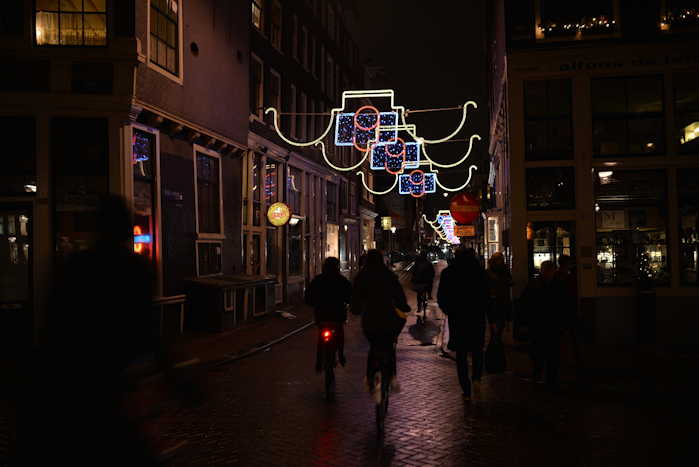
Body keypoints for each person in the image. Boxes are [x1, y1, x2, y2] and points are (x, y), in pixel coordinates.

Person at [24, 194, 169, 465]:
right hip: (123, 388)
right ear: (126, 229)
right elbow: (149, 331)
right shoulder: (138, 269)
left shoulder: (74, 267)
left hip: (81, 386)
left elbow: (54, 329)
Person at [351, 249, 410, 397]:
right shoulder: (389, 275)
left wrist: (356, 309)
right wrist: (404, 306)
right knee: (389, 346)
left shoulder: (362, 276)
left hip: (370, 319)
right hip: (388, 318)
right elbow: (399, 295)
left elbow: (355, 299)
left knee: (374, 345)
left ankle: (370, 378)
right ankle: (391, 378)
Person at [437, 247, 489, 400]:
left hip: (458, 318)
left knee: (461, 354)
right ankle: (477, 379)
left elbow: (442, 296)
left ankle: (466, 388)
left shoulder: (449, 273)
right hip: (476, 317)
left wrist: (449, 310)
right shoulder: (480, 272)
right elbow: (486, 294)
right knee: (477, 349)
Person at [523, 260, 566, 389]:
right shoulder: (557, 285)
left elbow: (525, 304)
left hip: (541, 324)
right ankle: (548, 378)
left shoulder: (534, 284)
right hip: (547, 324)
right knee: (549, 352)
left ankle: (542, 375)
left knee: (541, 352)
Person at [305, 257, 352, 371]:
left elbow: (308, 297)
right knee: (340, 333)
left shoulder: (318, 280)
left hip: (322, 314)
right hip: (337, 315)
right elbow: (350, 296)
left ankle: (319, 361)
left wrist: (313, 302)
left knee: (321, 336)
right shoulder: (342, 280)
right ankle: (341, 355)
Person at [555, 255, 583, 375]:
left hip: (560, 312)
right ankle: (574, 360)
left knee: (561, 336)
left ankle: (563, 359)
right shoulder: (570, 278)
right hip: (569, 311)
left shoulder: (556, 277)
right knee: (573, 336)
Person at [486, 252, 513, 340]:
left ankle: (496, 339)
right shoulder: (502, 270)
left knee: (498, 322)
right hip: (496, 299)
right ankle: (496, 339)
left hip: (498, 299)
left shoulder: (490, 271)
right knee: (496, 322)